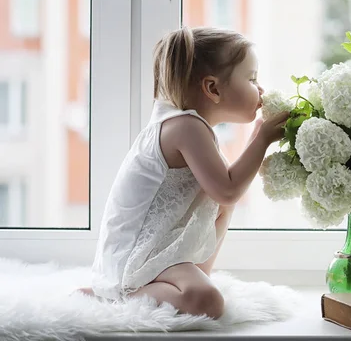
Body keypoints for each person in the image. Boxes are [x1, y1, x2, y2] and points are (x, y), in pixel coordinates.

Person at [77, 27, 289, 319]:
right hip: (135, 261)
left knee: (219, 206)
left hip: (159, 252)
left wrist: (257, 137)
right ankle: (117, 297)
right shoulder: (186, 127)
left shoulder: (189, 125)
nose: (261, 90)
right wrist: (262, 139)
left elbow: (224, 192)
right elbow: (227, 188)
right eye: (252, 79)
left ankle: (191, 282)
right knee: (208, 302)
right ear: (213, 89)